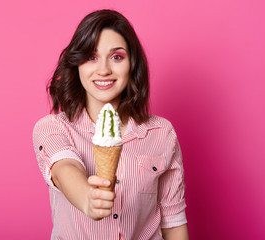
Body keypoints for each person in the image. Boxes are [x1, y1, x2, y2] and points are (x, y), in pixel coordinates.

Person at [33, 9, 189, 239]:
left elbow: (173, 222)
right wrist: (86, 197)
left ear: (132, 64)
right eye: (91, 57)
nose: (104, 69)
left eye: (116, 57)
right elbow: (65, 167)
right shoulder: (53, 128)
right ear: (77, 65)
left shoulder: (161, 133)